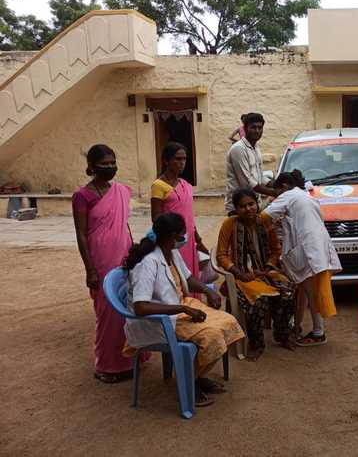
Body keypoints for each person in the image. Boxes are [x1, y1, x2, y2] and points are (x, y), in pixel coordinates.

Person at [124, 213, 244, 407]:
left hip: (181, 307)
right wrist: (183, 308)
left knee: (228, 322)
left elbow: (187, 279)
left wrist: (207, 290)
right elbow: (140, 306)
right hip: (160, 319)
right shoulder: (148, 263)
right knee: (211, 336)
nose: (185, 238)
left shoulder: (171, 252)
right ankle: (188, 382)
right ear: (172, 236)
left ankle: (197, 375)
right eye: (182, 234)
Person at [73, 144, 146, 383]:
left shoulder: (121, 191)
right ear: (92, 167)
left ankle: (134, 355)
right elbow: (81, 234)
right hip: (101, 258)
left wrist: (134, 252)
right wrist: (90, 269)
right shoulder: (83, 196)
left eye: (113, 163)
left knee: (129, 305)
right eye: (104, 164)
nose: (110, 167)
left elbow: (124, 224)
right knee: (108, 311)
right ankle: (108, 365)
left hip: (123, 254)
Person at [216, 188, 296, 360]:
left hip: (264, 272)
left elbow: (276, 250)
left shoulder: (265, 221)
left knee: (287, 290)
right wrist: (238, 272)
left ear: (257, 203)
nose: (248, 209)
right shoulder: (229, 224)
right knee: (259, 300)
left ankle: (282, 334)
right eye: (242, 206)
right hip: (241, 277)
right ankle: (256, 344)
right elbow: (221, 255)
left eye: (251, 204)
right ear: (236, 209)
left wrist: (268, 267)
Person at [265, 170, 341, 346]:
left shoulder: (289, 195)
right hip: (317, 247)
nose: (276, 197)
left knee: (311, 292)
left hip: (308, 251)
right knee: (308, 291)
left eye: (276, 193)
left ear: (283, 187)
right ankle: (300, 325)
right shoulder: (305, 196)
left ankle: (318, 333)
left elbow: (264, 216)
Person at [151, 142, 208, 289]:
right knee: (177, 277)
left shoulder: (185, 184)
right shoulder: (158, 185)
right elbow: (156, 218)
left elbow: (189, 217)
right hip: (172, 240)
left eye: (184, 159)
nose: (182, 163)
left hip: (187, 240)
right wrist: (169, 239)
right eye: (177, 159)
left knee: (190, 274)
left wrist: (198, 240)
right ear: (166, 161)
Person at [225, 112, 280, 214]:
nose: (257, 131)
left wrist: (277, 185)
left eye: (260, 128)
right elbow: (247, 183)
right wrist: (275, 192)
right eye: (253, 127)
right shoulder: (238, 149)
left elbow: (259, 176)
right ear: (245, 129)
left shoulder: (256, 148)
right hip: (239, 208)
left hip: (253, 205)